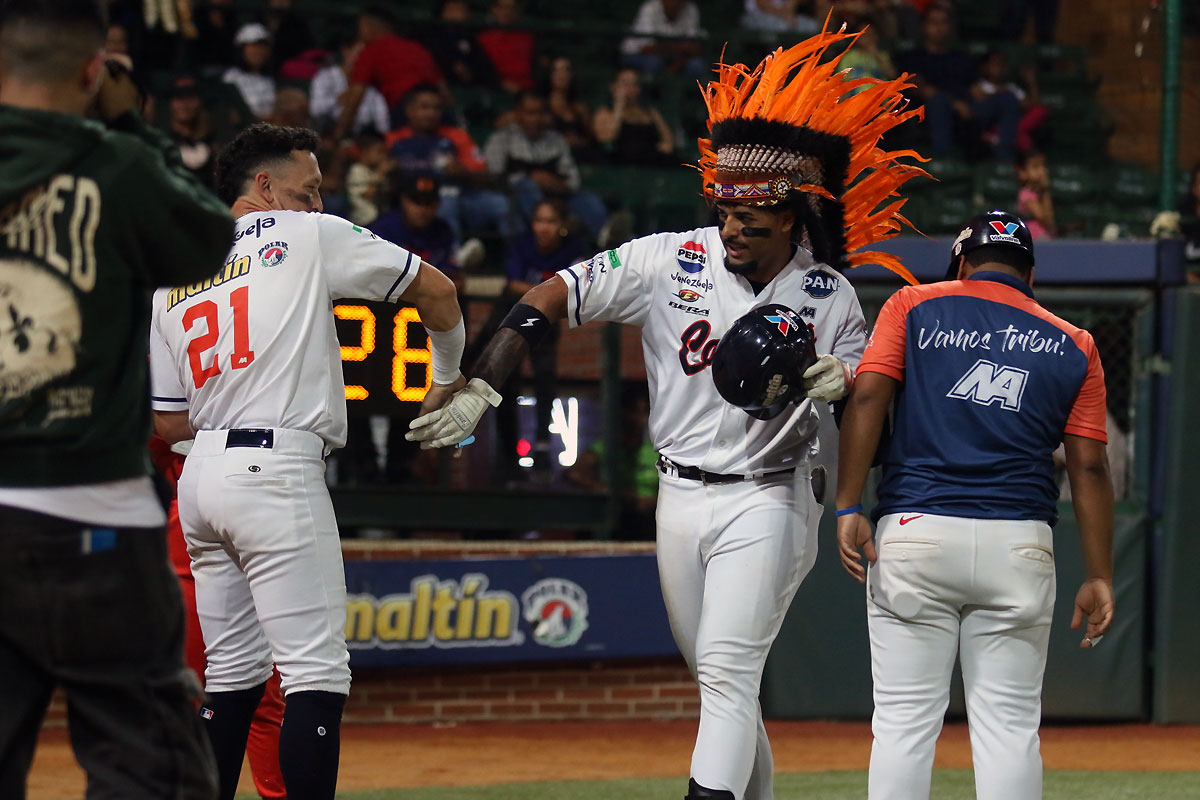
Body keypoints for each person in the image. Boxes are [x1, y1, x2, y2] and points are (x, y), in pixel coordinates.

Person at [409, 27, 926, 800]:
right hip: (678, 494)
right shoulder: (668, 257)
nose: (732, 230)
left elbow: (867, 398)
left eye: (752, 218)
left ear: (791, 217)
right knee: (725, 686)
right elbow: (551, 291)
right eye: (725, 213)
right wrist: (484, 380)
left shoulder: (832, 295)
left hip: (771, 491)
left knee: (725, 668)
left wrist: (843, 380)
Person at [148, 122, 466, 800]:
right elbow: (437, 294)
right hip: (277, 467)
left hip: (200, 478)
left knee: (229, 682)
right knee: (315, 677)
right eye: (309, 190)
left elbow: (167, 419)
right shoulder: (305, 236)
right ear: (264, 187)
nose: (319, 205)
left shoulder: (172, 267)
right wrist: (444, 380)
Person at [0, 0, 234, 797]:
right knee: (149, 767)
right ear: (94, 71)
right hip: (92, 511)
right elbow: (209, 240)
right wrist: (133, 124)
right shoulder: (117, 163)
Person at [835, 210, 1115, 800]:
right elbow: (1089, 466)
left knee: (903, 729)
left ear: (961, 262)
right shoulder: (1076, 343)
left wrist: (847, 504)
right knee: (1010, 729)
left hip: (916, 530)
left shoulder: (911, 304)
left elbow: (866, 399)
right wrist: (1099, 574)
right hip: (1020, 544)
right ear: (1030, 275)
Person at [148, 438, 288, 800]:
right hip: (186, 519)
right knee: (193, 688)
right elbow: (157, 432)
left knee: (261, 691)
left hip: (250, 504)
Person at [494, 198, 584, 479]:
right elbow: (512, 283)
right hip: (514, 321)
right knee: (506, 384)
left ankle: (543, 445)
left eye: (550, 221)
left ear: (562, 226)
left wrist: (542, 294)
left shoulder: (574, 249)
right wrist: (551, 293)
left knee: (545, 379)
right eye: (539, 221)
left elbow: (580, 286)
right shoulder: (521, 245)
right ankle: (508, 452)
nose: (543, 228)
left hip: (548, 325)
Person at [387, 83, 512, 238]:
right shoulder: (393, 140)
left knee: (501, 205)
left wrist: (463, 172)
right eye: (424, 107)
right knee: (445, 202)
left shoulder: (457, 136)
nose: (431, 113)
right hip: (415, 202)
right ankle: (453, 256)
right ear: (409, 110)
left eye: (436, 108)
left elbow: (484, 175)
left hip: (463, 197)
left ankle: (516, 258)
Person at [484, 90, 608, 239]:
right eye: (530, 113)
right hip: (518, 199)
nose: (536, 119)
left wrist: (553, 184)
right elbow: (493, 178)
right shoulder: (502, 139)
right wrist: (531, 179)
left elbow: (573, 181)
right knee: (526, 187)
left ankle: (607, 242)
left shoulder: (556, 140)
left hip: (557, 197)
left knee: (589, 201)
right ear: (517, 113)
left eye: (540, 113)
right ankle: (555, 226)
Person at [331, 5, 447, 141]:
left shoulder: (371, 52)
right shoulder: (416, 48)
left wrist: (337, 134)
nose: (359, 34)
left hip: (404, 114)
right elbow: (442, 89)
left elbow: (355, 98)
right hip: (435, 113)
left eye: (360, 27)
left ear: (369, 26)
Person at [308, 33, 390, 136]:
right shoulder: (326, 76)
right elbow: (315, 109)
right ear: (346, 51)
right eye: (361, 54)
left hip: (360, 138)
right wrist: (339, 99)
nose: (365, 60)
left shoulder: (371, 84)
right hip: (326, 134)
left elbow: (382, 124)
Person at [593, 68, 676, 166]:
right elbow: (607, 138)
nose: (630, 88)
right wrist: (619, 106)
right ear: (613, 86)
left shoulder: (650, 113)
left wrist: (663, 147)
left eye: (634, 84)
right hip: (622, 163)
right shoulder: (605, 112)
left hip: (652, 161)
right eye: (625, 84)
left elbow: (669, 141)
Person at [620, 0, 706, 77]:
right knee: (653, 62)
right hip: (636, 54)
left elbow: (694, 48)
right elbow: (647, 48)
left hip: (677, 58)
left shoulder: (690, 9)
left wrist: (677, 64)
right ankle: (648, 94)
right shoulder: (650, 8)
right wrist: (679, 49)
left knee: (697, 65)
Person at [476, 0, 535, 92]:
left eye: (511, 8)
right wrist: (500, 84)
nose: (507, 12)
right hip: (495, 89)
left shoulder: (528, 38)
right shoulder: (483, 39)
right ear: (493, 10)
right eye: (502, 7)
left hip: (527, 91)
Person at [223, 22, 276, 120]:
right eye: (253, 47)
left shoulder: (270, 79)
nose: (259, 51)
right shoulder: (231, 78)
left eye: (263, 47)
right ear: (242, 49)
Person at [1016, 149, 1055, 238]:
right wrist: (1045, 190)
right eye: (1035, 167)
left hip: (1044, 235)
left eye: (1043, 166)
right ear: (1023, 173)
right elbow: (1043, 217)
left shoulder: (1040, 194)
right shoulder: (1026, 194)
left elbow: (1050, 218)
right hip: (1033, 237)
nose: (1042, 171)